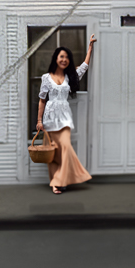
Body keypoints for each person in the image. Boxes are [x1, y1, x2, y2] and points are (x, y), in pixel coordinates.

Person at [34, 40, 93, 192]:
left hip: (65, 117)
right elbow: (42, 100)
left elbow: (84, 67)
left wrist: (90, 48)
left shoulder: (70, 76)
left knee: (65, 147)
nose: (64, 60)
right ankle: (56, 183)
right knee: (53, 152)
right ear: (56, 58)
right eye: (61, 56)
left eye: (67, 57)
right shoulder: (46, 78)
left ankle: (61, 179)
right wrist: (39, 120)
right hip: (49, 117)